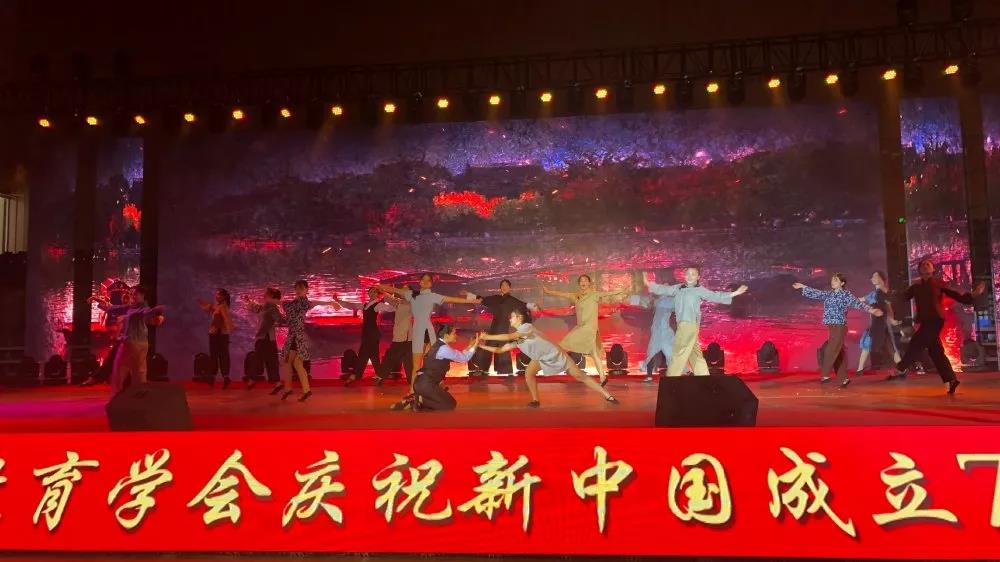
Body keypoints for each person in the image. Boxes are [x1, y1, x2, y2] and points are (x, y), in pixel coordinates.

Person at [478, 309, 618, 408]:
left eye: (512, 317)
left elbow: (509, 336)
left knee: (580, 375)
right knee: (529, 373)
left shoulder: (527, 327)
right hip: (541, 359)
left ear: (519, 318)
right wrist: (482, 346)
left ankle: (607, 395)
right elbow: (500, 350)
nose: (510, 319)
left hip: (555, 354)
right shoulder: (518, 340)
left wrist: (487, 336)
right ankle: (535, 400)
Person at [890, 259, 985, 394]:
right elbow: (902, 297)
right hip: (925, 321)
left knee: (916, 343)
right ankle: (951, 379)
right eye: (923, 265)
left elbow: (956, 296)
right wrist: (888, 294)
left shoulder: (939, 283)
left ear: (933, 269)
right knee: (936, 352)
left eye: (928, 264)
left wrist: (973, 294)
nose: (925, 266)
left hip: (935, 320)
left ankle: (901, 368)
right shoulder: (916, 286)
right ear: (920, 270)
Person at [378, 273, 475, 391]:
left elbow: (454, 299)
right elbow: (395, 290)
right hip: (418, 332)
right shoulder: (413, 295)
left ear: (431, 284)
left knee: (434, 362)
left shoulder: (433, 296)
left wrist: (474, 300)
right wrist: (379, 286)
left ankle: (438, 384)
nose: (425, 282)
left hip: (429, 331)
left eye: (428, 280)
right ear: (420, 282)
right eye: (423, 280)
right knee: (416, 366)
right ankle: (412, 391)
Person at [646, 267, 748, 378]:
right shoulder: (678, 288)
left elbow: (715, 296)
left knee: (679, 351)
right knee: (695, 353)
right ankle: (703, 376)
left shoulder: (699, 289)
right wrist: (649, 284)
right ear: (684, 275)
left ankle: (672, 378)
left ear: (698, 277)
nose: (690, 276)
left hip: (689, 324)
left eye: (693, 274)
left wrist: (735, 293)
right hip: (683, 324)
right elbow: (665, 289)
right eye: (688, 274)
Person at [794, 274, 881, 388]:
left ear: (842, 283)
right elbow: (817, 293)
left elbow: (858, 303)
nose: (833, 282)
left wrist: (871, 310)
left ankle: (825, 374)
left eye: (835, 280)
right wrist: (803, 287)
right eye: (832, 280)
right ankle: (843, 379)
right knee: (838, 352)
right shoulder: (829, 294)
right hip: (832, 326)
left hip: (839, 326)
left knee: (831, 349)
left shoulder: (846, 295)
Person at [541, 275, 627, 385]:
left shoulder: (594, 295)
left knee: (564, 344)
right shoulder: (575, 296)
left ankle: (548, 363)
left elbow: (608, 293)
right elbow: (562, 294)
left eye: (585, 280)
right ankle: (602, 377)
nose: (583, 282)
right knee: (594, 353)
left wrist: (622, 290)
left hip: (590, 328)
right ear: (579, 284)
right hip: (582, 327)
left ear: (589, 283)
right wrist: (549, 292)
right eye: (581, 281)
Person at [271, 279, 344, 402]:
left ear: (306, 290)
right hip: (295, 337)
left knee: (290, 362)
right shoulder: (291, 303)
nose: (298, 290)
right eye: (297, 288)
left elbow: (316, 302)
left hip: (297, 337)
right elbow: (280, 303)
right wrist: (267, 302)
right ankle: (303, 390)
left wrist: (332, 303)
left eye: (301, 288)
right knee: (294, 363)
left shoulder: (304, 303)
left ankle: (292, 389)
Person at [89, 286, 166, 396]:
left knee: (129, 370)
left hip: (134, 344)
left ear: (142, 295)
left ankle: (127, 395)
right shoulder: (130, 308)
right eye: (132, 294)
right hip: (134, 343)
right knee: (134, 371)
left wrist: (157, 312)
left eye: (135, 294)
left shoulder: (142, 308)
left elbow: (148, 312)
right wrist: (97, 300)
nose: (132, 296)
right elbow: (112, 308)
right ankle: (134, 394)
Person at [400, 325, 478, 411]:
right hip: (426, 385)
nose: (456, 335)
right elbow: (463, 358)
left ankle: (417, 401)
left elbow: (460, 355)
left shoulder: (439, 346)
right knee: (449, 405)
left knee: (450, 403)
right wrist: (476, 344)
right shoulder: (443, 349)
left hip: (421, 383)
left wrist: (470, 346)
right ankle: (418, 400)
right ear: (446, 335)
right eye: (454, 333)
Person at [466, 279, 533, 377]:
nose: (504, 287)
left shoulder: (513, 300)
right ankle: (483, 369)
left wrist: (530, 315)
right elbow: (482, 299)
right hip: (494, 326)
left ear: (509, 287)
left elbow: (524, 306)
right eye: (502, 285)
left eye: (506, 285)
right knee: (488, 348)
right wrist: (468, 294)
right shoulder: (496, 298)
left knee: (503, 348)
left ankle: (505, 370)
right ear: (500, 287)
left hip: (504, 327)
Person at [340, 286, 395, 385]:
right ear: (368, 293)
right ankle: (379, 375)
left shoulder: (378, 305)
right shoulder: (365, 305)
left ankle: (356, 375)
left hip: (373, 334)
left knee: (365, 355)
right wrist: (338, 301)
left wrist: (391, 298)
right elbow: (351, 305)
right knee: (370, 356)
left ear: (377, 295)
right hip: (367, 334)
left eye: (375, 292)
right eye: (371, 291)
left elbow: (391, 308)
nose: (373, 293)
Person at [629, 279, 676, 383]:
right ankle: (650, 375)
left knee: (669, 354)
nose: (663, 288)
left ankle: (675, 374)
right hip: (657, 332)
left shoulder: (670, 300)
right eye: (662, 286)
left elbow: (649, 302)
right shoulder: (658, 300)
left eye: (666, 287)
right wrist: (630, 298)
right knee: (651, 353)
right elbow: (646, 301)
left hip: (665, 332)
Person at [856, 271, 902, 376]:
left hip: (879, 325)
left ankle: (860, 369)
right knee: (889, 347)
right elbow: (860, 300)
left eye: (875, 276)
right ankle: (902, 367)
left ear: (882, 278)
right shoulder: (873, 294)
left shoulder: (884, 293)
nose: (872, 278)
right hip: (879, 325)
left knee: (869, 344)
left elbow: (888, 308)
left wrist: (892, 320)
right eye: (872, 277)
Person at [241, 287, 282, 389]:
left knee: (264, 359)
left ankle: (253, 380)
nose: (264, 295)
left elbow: (280, 319)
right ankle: (276, 383)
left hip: (267, 337)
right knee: (267, 359)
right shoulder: (265, 307)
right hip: (264, 337)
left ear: (271, 296)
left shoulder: (272, 308)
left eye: (266, 293)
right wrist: (248, 300)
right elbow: (255, 307)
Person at [375, 284, 414, 384]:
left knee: (406, 361)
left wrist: (385, 289)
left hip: (407, 337)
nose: (402, 291)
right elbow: (389, 298)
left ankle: (412, 381)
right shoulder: (398, 302)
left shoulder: (412, 303)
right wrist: (382, 291)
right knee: (393, 358)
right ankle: (381, 376)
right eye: (401, 290)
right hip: (399, 336)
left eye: (405, 290)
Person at [197, 288, 234, 388]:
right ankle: (214, 377)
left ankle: (224, 377)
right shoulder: (218, 305)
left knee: (222, 356)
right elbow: (209, 307)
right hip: (216, 334)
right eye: (216, 294)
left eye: (218, 294)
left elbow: (227, 319)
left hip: (220, 335)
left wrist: (230, 327)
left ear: (223, 297)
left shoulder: (223, 307)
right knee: (216, 356)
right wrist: (203, 304)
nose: (216, 296)